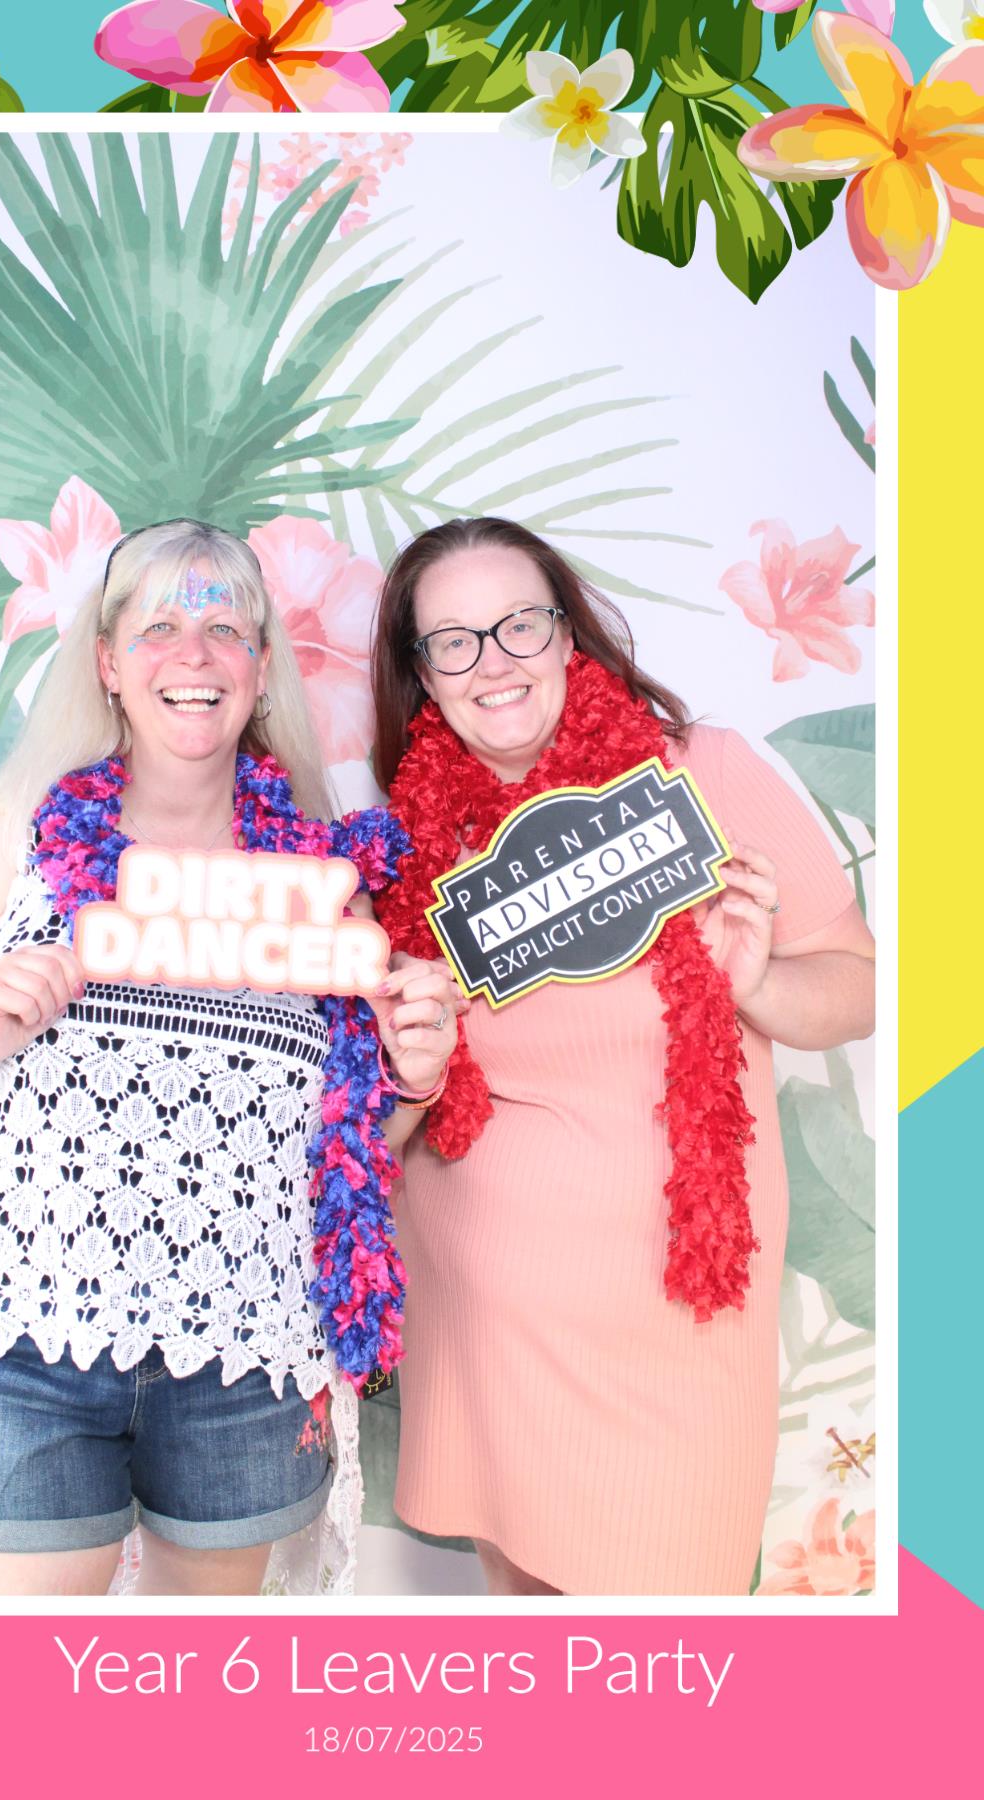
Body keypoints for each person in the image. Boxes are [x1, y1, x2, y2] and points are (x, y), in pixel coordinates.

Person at [0, 519, 459, 1599]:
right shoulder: (19, 844)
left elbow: (352, 1151)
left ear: (261, 666)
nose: (194, 655)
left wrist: (414, 1075)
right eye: (158, 627)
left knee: (200, 1695)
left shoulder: (320, 887)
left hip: (245, 1354)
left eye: (225, 629)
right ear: (109, 663)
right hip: (29, 1339)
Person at [372, 516, 875, 1597]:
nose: (493, 662)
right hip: (488, 1316)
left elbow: (857, 987)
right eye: (453, 641)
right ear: (423, 674)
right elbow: (379, 1120)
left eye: (519, 624)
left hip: (682, 1314)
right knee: (536, 1635)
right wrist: (410, 1058)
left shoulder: (705, 777)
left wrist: (755, 985)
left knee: (670, 1632)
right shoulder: (411, 850)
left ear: (568, 632)